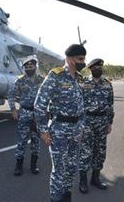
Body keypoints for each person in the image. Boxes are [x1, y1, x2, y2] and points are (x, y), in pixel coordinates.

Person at [34, 44, 86, 202]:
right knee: (59, 170)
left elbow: (82, 106)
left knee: (71, 167)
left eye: (84, 59)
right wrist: (43, 130)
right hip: (59, 131)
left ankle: (66, 197)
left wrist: (81, 126)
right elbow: (39, 104)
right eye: (80, 59)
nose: (83, 62)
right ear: (70, 59)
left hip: (76, 131)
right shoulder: (56, 75)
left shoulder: (79, 78)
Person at [78, 58, 114, 194]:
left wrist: (110, 122)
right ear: (90, 69)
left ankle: (95, 178)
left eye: (100, 67)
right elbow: (78, 104)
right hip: (87, 121)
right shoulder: (83, 83)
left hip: (102, 122)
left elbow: (110, 104)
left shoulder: (107, 84)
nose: (98, 69)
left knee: (100, 151)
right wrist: (79, 124)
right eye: (95, 68)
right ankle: (82, 181)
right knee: (85, 152)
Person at [8, 54, 44, 176]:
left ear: (35, 66)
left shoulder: (42, 80)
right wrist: (13, 110)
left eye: (31, 65)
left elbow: (47, 97)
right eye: (27, 66)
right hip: (24, 113)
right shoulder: (20, 80)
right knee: (22, 140)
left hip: (37, 115)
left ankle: (34, 166)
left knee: (36, 140)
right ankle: (18, 166)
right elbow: (11, 95)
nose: (29, 68)